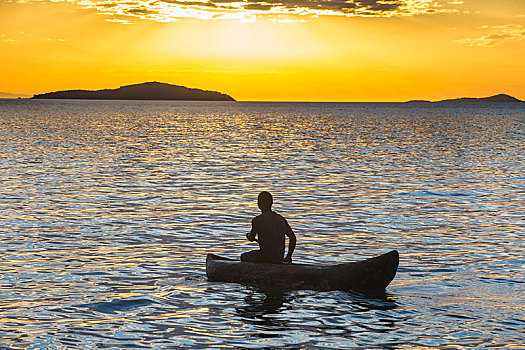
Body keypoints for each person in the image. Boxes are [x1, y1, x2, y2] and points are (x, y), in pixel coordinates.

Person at [241, 191, 296, 264]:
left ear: (259, 204)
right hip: (279, 258)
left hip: (265, 257)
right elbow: (293, 238)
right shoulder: (281, 219)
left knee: (243, 256)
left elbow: (251, 237)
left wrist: (248, 235)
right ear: (271, 203)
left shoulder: (257, 220)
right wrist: (288, 257)